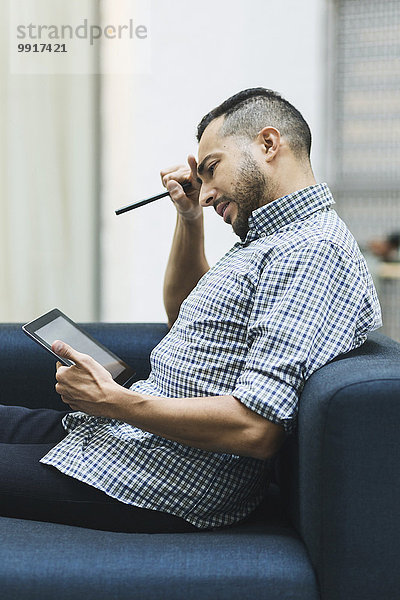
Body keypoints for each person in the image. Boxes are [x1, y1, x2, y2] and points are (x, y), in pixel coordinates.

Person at [0, 87, 382, 533]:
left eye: (212, 169)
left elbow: (256, 430)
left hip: (159, 479)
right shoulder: (265, 240)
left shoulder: (311, 252)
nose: (204, 192)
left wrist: (114, 401)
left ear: (268, 144)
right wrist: (188, 220)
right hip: (128, 440)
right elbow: (185, 314)